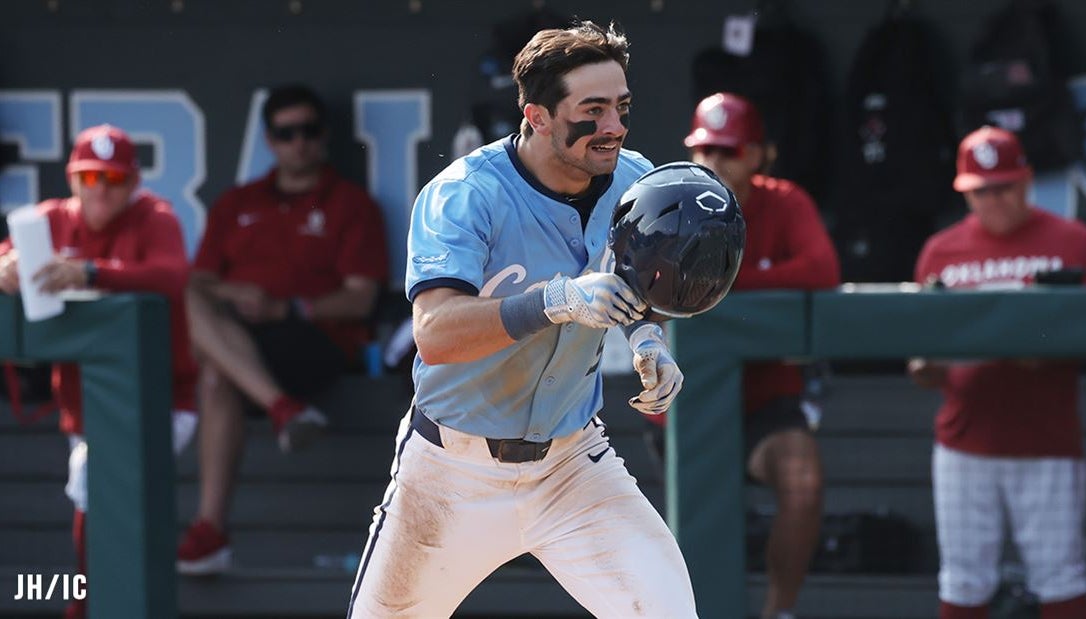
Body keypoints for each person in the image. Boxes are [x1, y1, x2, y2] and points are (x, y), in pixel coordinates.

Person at [347, 21, 697, 618]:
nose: (613, 126)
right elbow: (433, 334)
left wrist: (645, 338)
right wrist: (551, 302)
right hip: (450, 471)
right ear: (536, 116)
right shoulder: (464, 192)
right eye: (593, 109)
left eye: (621, 106)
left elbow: (638, 286)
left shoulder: (637, 181)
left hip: (573, 467)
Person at [176, 84, 389, 575]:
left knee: (216, 368)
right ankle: (279, 414)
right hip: (244, 342)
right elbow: (200, 281)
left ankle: (212, 525)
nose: (299, 143)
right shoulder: (237, 203)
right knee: (199, 330)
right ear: (269, 139)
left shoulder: (350, 204)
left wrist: (286, 309)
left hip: (315, 343)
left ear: (324, 135)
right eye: (286, 133)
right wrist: (238, 296)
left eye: (309, 131)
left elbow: (359, 297)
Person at [908, 126, 1086, 619]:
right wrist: (928, 366)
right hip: (964, 440)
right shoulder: (941, 249)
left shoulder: (1073, 240)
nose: (994, 199)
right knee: (963, 580)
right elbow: (917, 355)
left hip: (1046, 439)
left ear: (1026, 181)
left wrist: (1043, 351)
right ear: (965, 192)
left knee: (1060, 577)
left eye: (1003, 186)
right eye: (982, 190)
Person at [0, 124, 198, 619]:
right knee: (100, 502)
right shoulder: (50, 220)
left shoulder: (155, 216)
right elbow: (6, 257)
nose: (102, 189)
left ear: (132, 182)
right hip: (82, 407)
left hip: (162, 401)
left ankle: (84, 605)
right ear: (72, 180)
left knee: (100, 491)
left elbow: (172, 275)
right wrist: (4, 266)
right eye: (89, 178)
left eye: (112, 177)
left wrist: (90, 272)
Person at [681, 92, 839, 619]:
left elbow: (821, 271)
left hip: (766, 395)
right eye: (706, 151)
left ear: (757, 154)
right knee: (693, 522)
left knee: (803, 480)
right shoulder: (673, 201)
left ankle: (779, 613)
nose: (716, 164)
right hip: (683, 399)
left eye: (729, 151)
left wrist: (727, 283)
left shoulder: (785, 201)